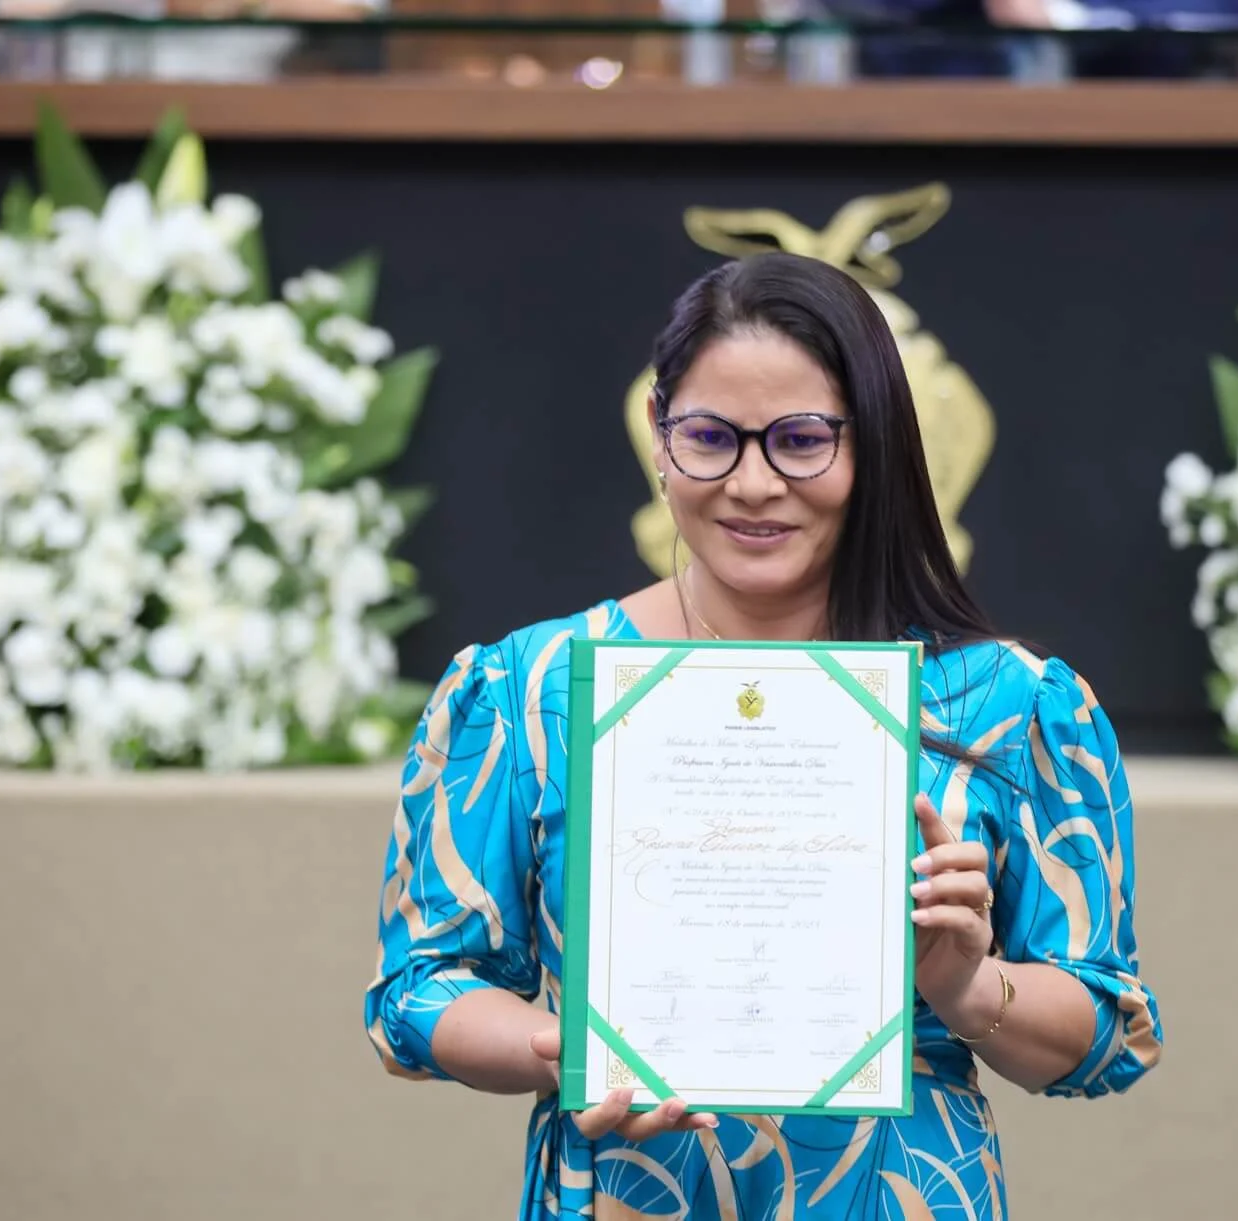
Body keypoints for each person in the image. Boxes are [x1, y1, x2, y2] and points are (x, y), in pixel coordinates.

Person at [363, 251, 1162, 1218]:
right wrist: (563, 1047)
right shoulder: (527, 690)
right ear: (660, 439)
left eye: (800, 439)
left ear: (875, 447)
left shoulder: (1007, 703)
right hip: (626, 1190)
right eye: (710, 436)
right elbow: (419, 988)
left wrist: (964, 982)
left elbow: (1105, 1040)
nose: (752, 483)